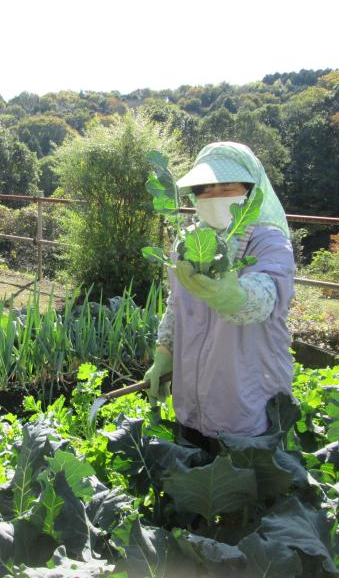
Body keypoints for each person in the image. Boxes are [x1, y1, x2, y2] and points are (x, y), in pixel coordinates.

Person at [144, 141, 295, 452]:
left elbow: (268, 296)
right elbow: (177, 305)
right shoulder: (188, 241)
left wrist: (234, 296)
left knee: (244, 494)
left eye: (226, 187)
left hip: (247, 405)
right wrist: (164, 352)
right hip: (191, 400)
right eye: (204, 189)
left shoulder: (268, 241)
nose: (214, 198)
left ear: (251, 189)